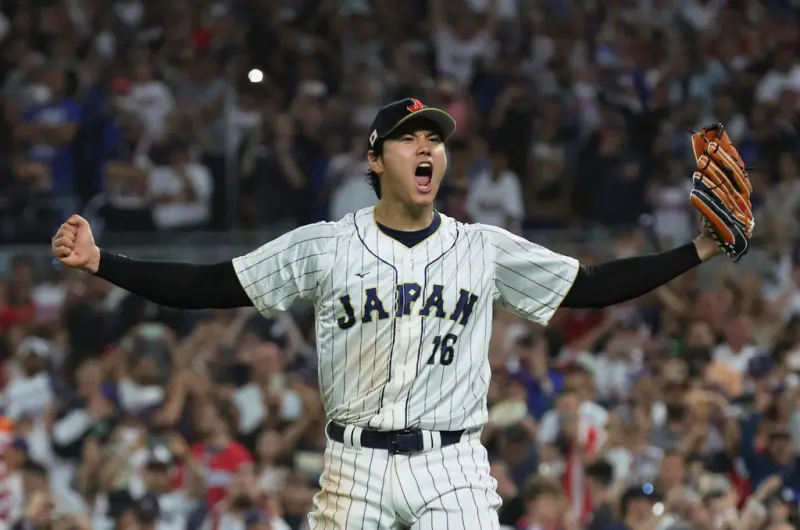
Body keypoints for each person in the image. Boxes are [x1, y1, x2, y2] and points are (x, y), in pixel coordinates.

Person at [52, 97, 726, 528]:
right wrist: (103, 261)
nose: (426, 147)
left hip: (452, 465)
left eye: (435, 138)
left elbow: (593, 286)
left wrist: (699, 248)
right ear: (375, 160)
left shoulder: (482, 247)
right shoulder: (326, 245)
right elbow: (207, 285)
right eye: (409, 139)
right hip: (354, 467)